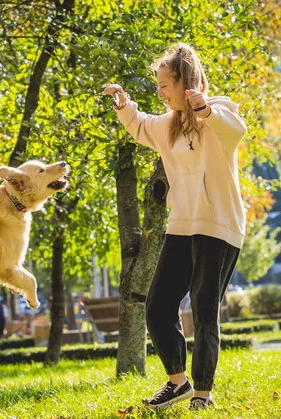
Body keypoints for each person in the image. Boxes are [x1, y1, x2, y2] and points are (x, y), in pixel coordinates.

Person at [104, 43, 247, 411]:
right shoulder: (167, 125)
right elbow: (140, 126)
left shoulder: (220, 112)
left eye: (164, 84)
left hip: (218, 224)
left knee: (203, 305)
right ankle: (177, 382)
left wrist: (204, 109)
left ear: (185, 82)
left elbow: (235, 132)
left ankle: (203, 392)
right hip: (183, 225)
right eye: (158, 86)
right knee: (158, 305)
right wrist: (124, 104)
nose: (160, 92)